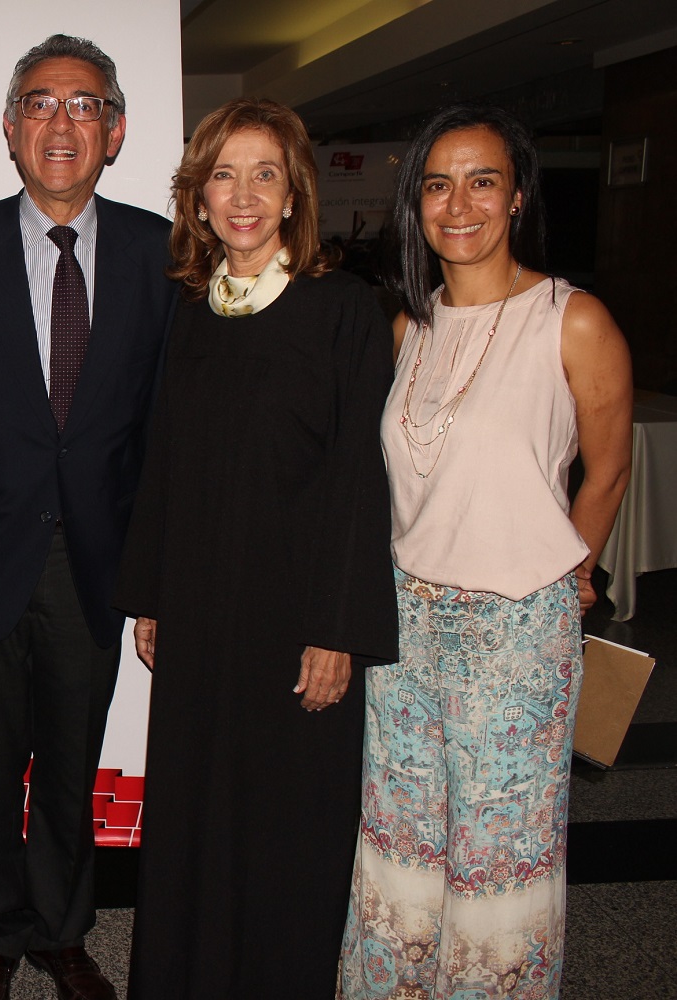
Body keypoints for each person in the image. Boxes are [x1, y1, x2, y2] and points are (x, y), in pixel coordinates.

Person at [0, 35, 176, 1000]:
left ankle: (60, 929)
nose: (63, 123)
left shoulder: (160, 254)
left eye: (85, 105)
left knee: (69, 761)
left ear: (116, 129)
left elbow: (168, 434)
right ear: (11, 128)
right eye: (42, 103)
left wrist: (158, 576)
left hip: (100, 563)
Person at [338, 103, 632, 1000]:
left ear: (516, 197)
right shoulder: (407, 329)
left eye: (482, 181)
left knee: (501, 859)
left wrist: (571, 571)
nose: (457, 203)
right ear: (415, 202)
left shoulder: (571, 319)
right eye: (437, 183)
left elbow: (609, 467)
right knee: (401, 842)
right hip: (405, 628)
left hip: (514, 635)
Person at [111, 97, 399, 999]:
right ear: (197, 200)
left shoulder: (344, 309)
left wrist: (338, 630)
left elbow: (361, 477)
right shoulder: (190, 309)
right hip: (199, 615)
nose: (242, 195)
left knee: (286, 830)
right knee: (198, 819)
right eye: (222, 176)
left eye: (263, 174)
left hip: (296, 621)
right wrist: (151, 591)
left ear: (292, 194)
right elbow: (163, 456)